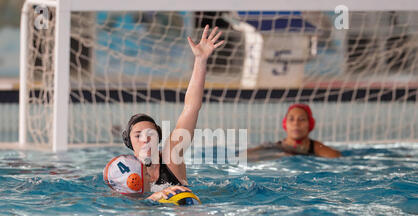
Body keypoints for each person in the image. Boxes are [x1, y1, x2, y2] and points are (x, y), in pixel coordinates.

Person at [105, 25, 224, 201]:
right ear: (128, 141)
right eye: (138, 135)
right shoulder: (123, 170)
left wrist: (200, 60)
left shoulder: (171, 158)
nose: (145, 139)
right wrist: (152, 198)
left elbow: (191, 108)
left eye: (150, 134)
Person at [247, 103, 341, 159]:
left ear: (310, 124)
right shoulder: (271, 147)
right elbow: (241, 157)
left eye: (302, 119)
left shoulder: (318, 149)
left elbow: (339, 161)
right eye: (291, 119)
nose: (296, 124)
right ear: (285, 124)